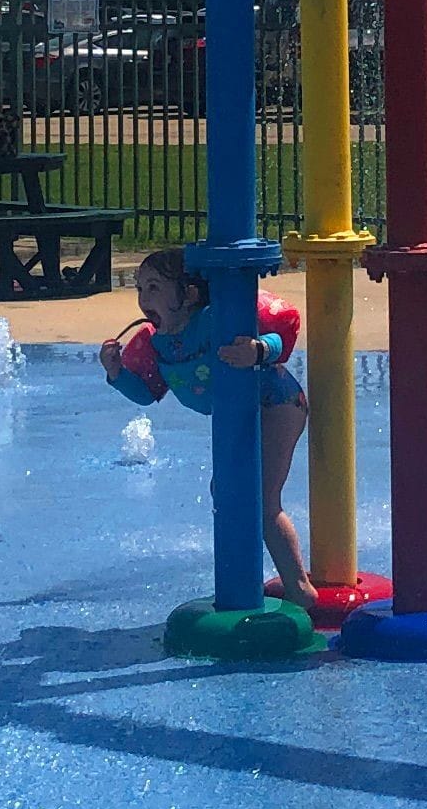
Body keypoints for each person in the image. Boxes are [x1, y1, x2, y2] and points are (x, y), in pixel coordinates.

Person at [101, 242, 311, 602]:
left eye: (154, 287)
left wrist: (258, 350)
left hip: (276, 405)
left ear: (190, 293)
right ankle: (244, 582)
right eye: (139, 288)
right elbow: (147, 394)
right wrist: (116, 372)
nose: (142, 298)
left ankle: (301, 590)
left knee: (262, 500)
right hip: (237, 416)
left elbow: (278, 337)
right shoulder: (158, 343)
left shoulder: (217, 319)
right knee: (227, 493)